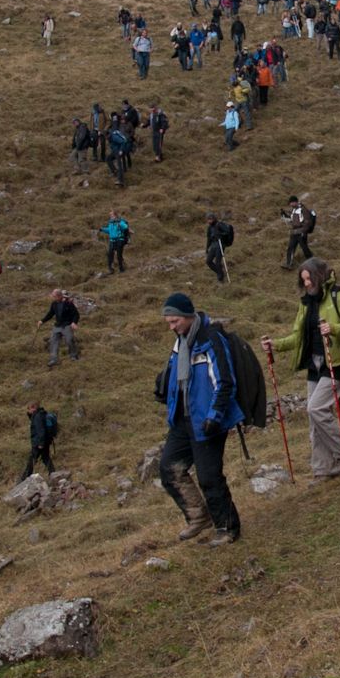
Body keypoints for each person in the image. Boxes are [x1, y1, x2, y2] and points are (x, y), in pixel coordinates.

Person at [154, 293, 244, 545]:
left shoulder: (211, 340)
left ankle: (227, 528)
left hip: (208, 420)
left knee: (209, 476)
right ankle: (198, 516)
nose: (171, 327)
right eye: (169, 323)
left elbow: (225, 382)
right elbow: (175, 375)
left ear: (187, 315)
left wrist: (214, 415)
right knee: (169, 468)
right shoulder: (180, 342)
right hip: (182, 419)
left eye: (174, 322)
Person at [267, 257, 340, 478]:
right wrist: (276, 345)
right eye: (304, 280)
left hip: (339, 361)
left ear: (319, 276)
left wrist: (333, 328)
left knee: (316, 409)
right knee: (314, 418)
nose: (307, 283)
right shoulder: (306, 304)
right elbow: (298, 336)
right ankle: (323, 469)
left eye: (309, 278)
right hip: (316, 364)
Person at [43, 289, 81, 366]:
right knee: (53, 342)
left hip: (67, 325)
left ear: (60, 296)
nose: (53, 298)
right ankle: (54, 359)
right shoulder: (54, 304)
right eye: (53, 296)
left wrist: (74, 323)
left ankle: (74, 356)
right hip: (57, 326)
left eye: (54, 296)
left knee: (69, 340)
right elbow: (50, 314)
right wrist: (42, 321)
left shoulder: (69, 303)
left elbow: (76, 314)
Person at [23, 402, 59, 480]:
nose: (28, 411)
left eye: (28, 409)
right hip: (46, 441)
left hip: (39, 443)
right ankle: (53, 473)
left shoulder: (37, 417)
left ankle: (24, 478)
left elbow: (40, 430)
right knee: (46, 458)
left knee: (32, 460)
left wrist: (40, 443)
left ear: (33, 408)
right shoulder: (42, 414)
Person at [282, 197, 317, 269]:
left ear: (296, 202)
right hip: (294, 232)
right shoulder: (294, 210)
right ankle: (289, 264)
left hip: (301, 232)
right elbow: (292, 220)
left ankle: (313, 263)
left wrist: (304, 232)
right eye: (290, 203)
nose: (290, 204)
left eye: (291, 202)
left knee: (304, 248)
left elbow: (308, 222)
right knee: (290, 248)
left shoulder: (303, 210)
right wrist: (284, 215)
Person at [204, 212, 232, 286]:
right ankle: (220, 272)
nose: (209, 221)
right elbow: (208, 239)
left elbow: (227, 231)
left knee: (217, 262)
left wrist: (220, 234)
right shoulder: (209, 228)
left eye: (210, 219)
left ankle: (220, 279)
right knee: (208, 261)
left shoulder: (219, 224)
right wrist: (207, 248)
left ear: (214, 218)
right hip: (213, 245)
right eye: (208, 219)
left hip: (220, 244)